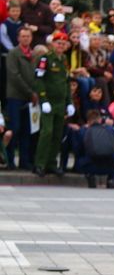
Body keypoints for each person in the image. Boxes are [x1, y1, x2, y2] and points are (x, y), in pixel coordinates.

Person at [33, 31, 72, 177]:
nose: (60, 46)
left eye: (63, 44)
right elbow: (39, 79)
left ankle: (51, 163)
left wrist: (69, 102)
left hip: (60, 103)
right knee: (47, 132)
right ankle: (39, 164)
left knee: (57, 134)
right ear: (52, 44)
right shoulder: (45, 59)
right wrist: (43, 99)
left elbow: (66, 82)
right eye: (58, 43)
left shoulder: (64, 60)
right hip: (48, 102)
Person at [5, 26, 36, 169]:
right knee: (14, 128)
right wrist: (30, 92)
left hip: (30, 98)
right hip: (15, 96)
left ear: (31, 38)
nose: (26, 39)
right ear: (18, 38)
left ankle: (24, 161)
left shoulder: (33, 54)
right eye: (23, 36)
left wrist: (35, 92)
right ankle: (10, 160)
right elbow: (14, 76)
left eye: (28, 36)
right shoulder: (13, 53)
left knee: (27, 130)